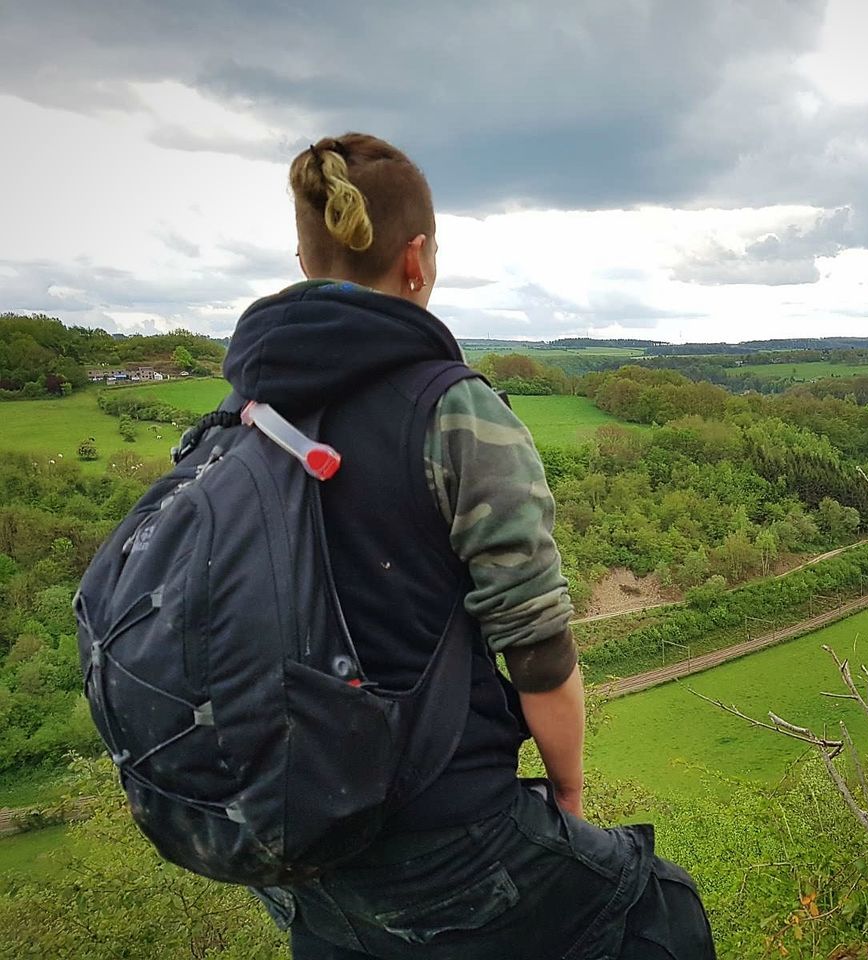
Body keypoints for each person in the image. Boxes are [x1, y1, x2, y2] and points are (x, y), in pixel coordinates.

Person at [220, 132, 715, 959]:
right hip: (435, 829)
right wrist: (568, 789)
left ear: (304, 262)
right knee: (656, 910)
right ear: (418, 261)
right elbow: (539, 649)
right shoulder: (454, 413)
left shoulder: (243, 419)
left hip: (280, 838)